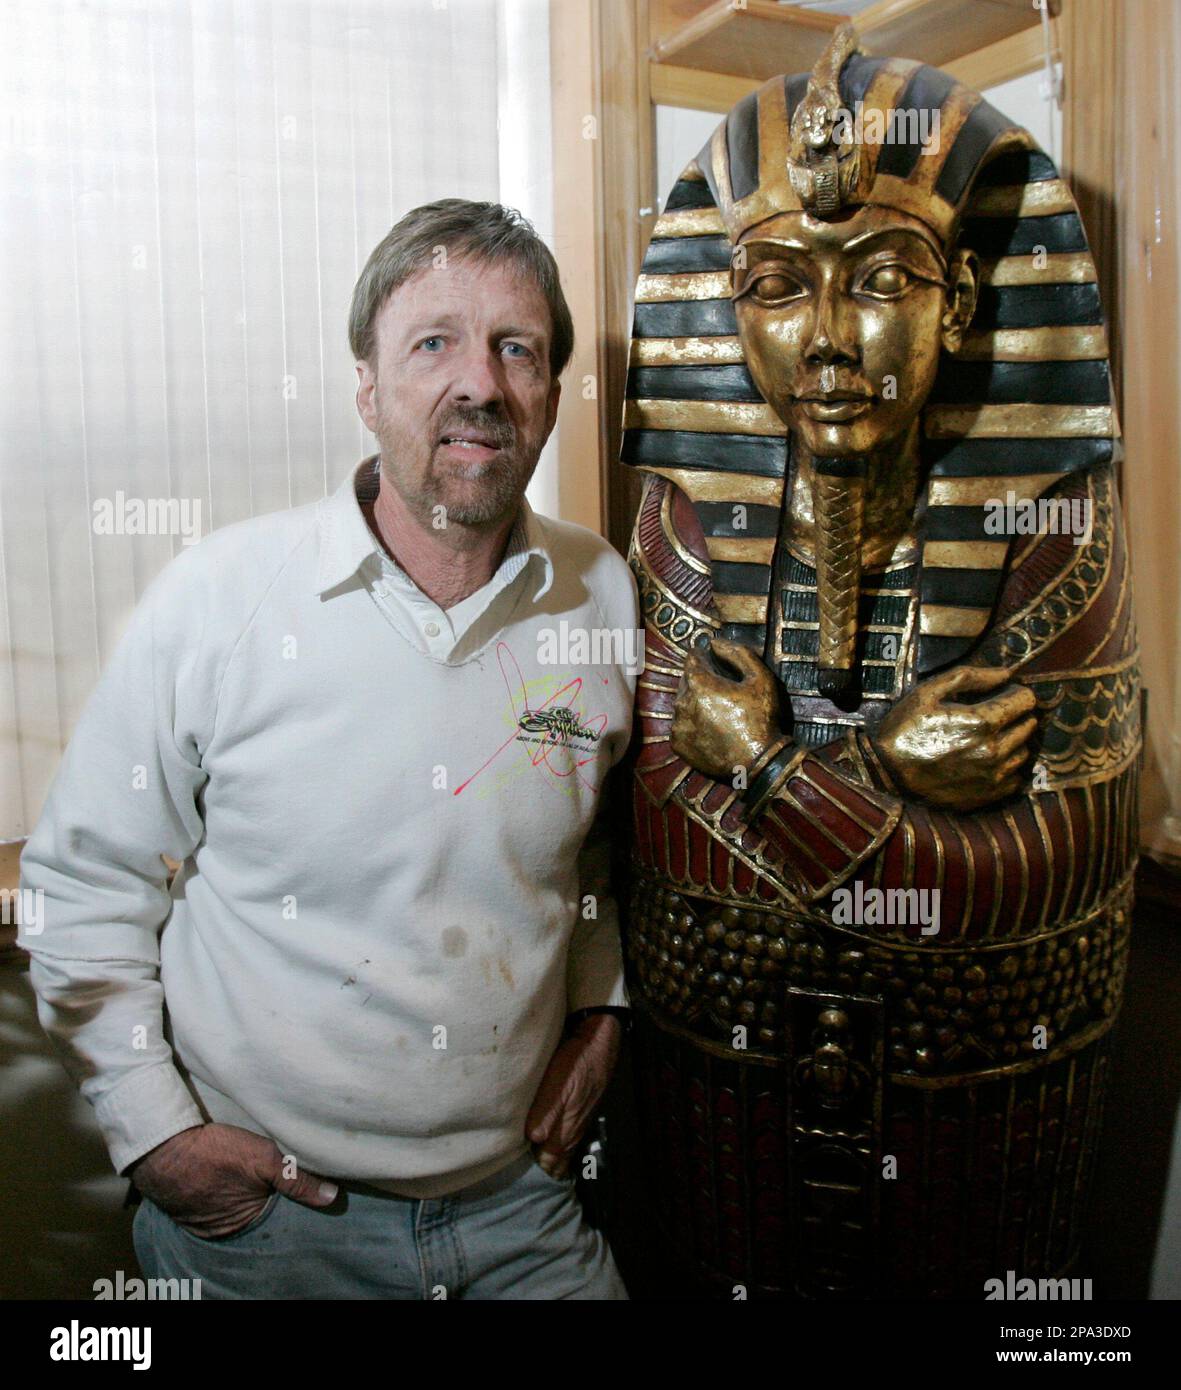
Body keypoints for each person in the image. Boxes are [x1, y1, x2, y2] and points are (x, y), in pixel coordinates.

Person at [19, 199, 639, 1300]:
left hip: (517, 1207)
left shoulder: (600, 591)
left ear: (548, 392)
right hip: (265, 1223)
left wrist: (601, 1010)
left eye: (517, 350)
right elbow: (78, 883)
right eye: (433, 342)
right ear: (365, 385)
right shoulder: (221, 601)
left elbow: (582, 854)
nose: (480, 386)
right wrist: (159, 1139)